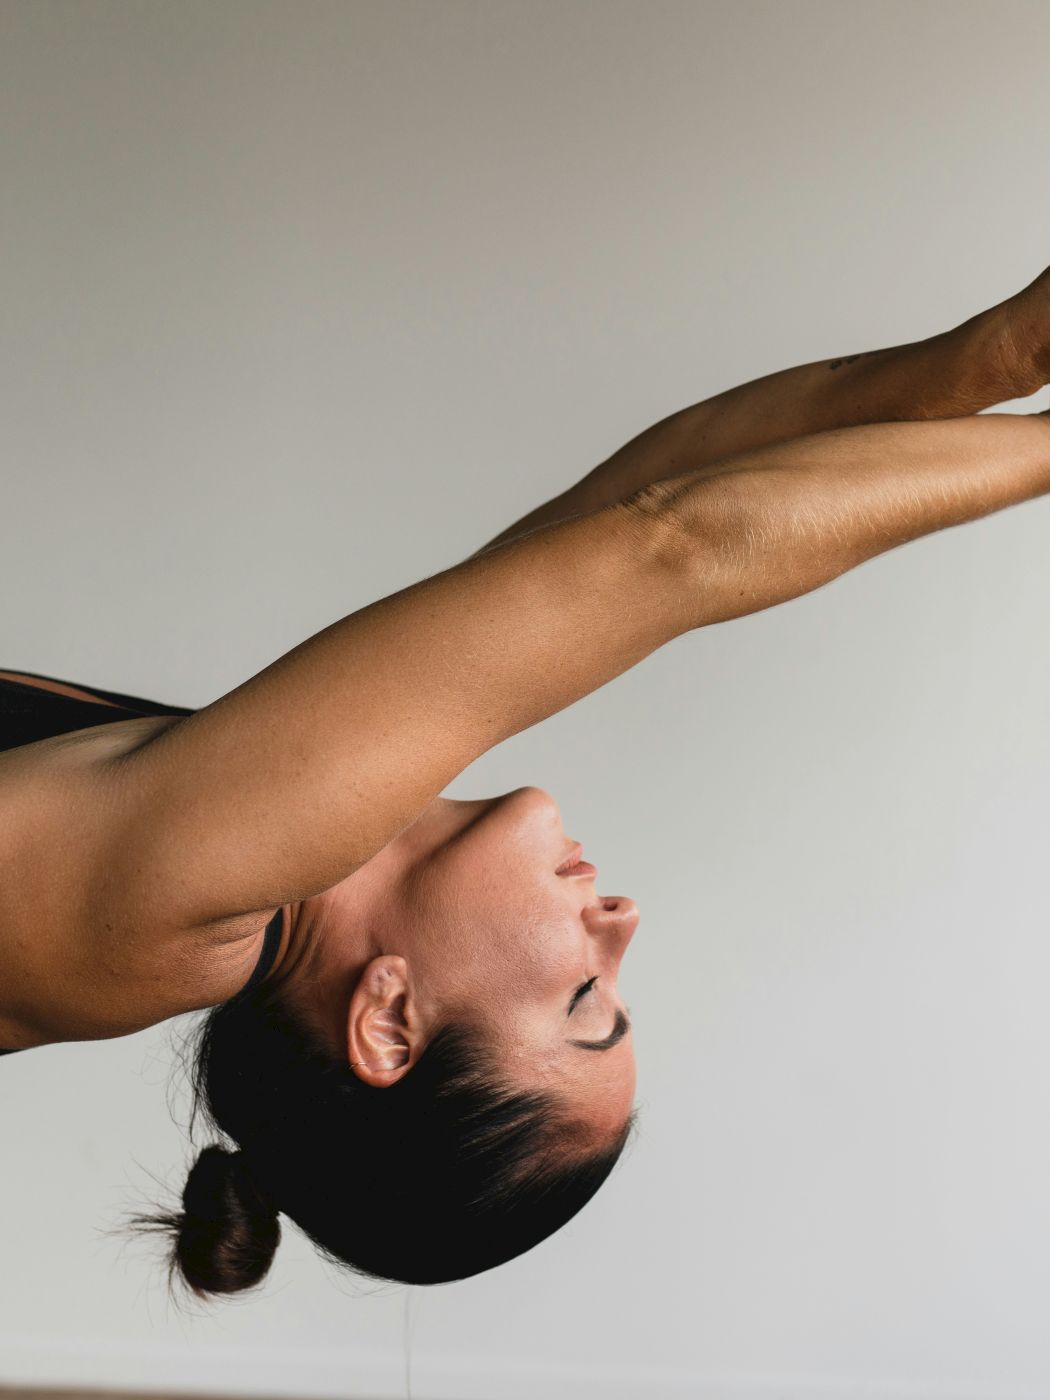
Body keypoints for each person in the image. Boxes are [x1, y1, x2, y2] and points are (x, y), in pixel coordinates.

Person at [3, 262, 1050, 1299]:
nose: (625, 919)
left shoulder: (160, 913)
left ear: (390, 1021)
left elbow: (669, 546)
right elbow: (632, 515)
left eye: (585, 993)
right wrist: (995, 356)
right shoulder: (228, 871)